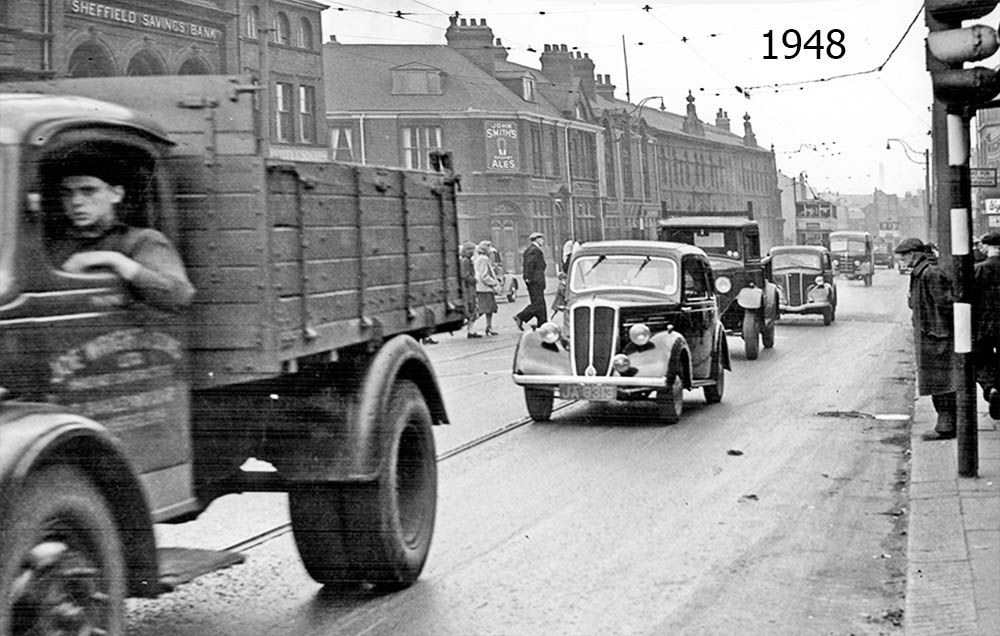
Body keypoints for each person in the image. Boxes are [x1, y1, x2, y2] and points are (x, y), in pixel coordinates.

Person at [50, 163, 194, 312]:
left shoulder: (142, 240)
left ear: (116, 194)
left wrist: (114, 260)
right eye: (67, 193)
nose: (76, 202)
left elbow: (179, 297)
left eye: (88, 191)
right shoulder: (54, 244)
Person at [894, 237, 957, 440]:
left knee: (943, 384)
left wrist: (943, 330)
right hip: (931, 336)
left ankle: (946, 426)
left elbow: (947, 304)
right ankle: (945, 424)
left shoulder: (930, 274)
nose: (901, 260)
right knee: (937, 384)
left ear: (914, 254)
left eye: (903, 256)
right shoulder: (921, 273)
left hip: (937, 338)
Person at [973, 231, 1000, 419]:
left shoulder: (978, 269)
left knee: (981, 361)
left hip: (983, 325)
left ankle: (991, 388)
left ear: (989, 248)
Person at [513, 232, 547, 330]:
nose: (543, 241)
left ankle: (542, 323)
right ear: (536, 239)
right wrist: (529, 277)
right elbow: (530, 265)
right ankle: (520, 316)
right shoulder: (535, 251)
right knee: (538, 303)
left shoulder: (529, 250)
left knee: (539, 302)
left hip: (533, 280)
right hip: (535, 281)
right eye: (541, 239)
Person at [473, 240, 500, 336]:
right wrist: (494, 283)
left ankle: (489, 326)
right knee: (484, 309)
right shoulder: (484, 259)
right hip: (484, 288)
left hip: (481, 287)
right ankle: (471, 327)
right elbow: (484, 275)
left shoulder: (478, 258)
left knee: (489, 309)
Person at [458, 241, 481, 339]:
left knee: (473, 309)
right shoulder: (465, 261)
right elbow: (465, 275)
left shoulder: (466, 260)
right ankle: (470, 331)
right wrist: (474, 280)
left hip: (469, 288)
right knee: (472, 308)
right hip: (468, 288)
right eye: (472, 250)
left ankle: (471, 330)